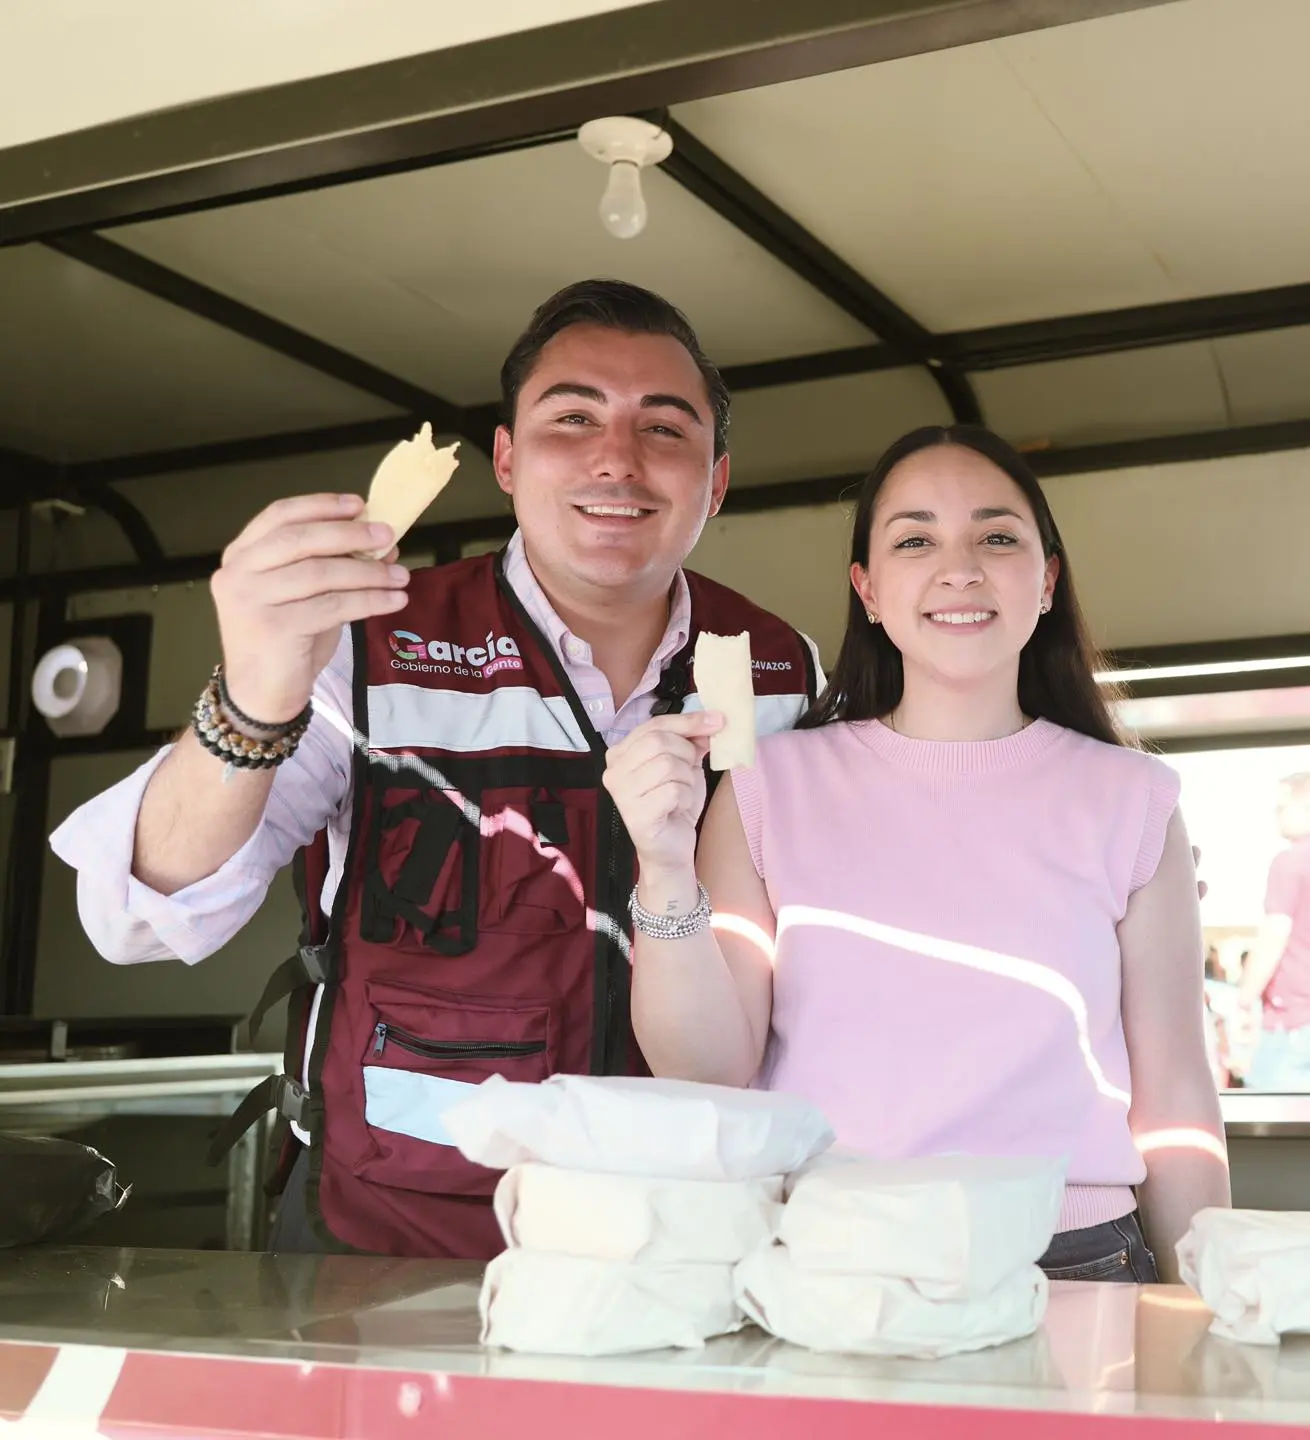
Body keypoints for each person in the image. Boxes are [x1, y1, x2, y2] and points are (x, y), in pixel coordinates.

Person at [49, 279, 823, 1258]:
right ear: (504, 459)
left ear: (715, 480)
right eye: (571, 417)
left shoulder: (779, 667)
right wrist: (252, 693)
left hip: (687, 1238)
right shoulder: (368, 642)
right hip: (389, 1236)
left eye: (664, 430)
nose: (615, 458)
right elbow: (140, 916)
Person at [604, 424, 1230, 1284]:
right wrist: (664, 867)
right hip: (829, 1260)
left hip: (1072, 1261)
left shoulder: (1135, 800)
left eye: (997, 537)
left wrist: (1210, 1298)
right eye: (915, 539)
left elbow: (1177, 1100)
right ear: (867, 588)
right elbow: (706, 1066)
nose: (960, 567)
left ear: (1046, 580)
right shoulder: (765, 783)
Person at [1236, 773, 1310, 1090]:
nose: (1275, 813)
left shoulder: (1291, 862)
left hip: (1293, 1021)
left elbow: (1274, 935)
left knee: (1270, 1128)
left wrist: (1243, 999)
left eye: (1282, 806)